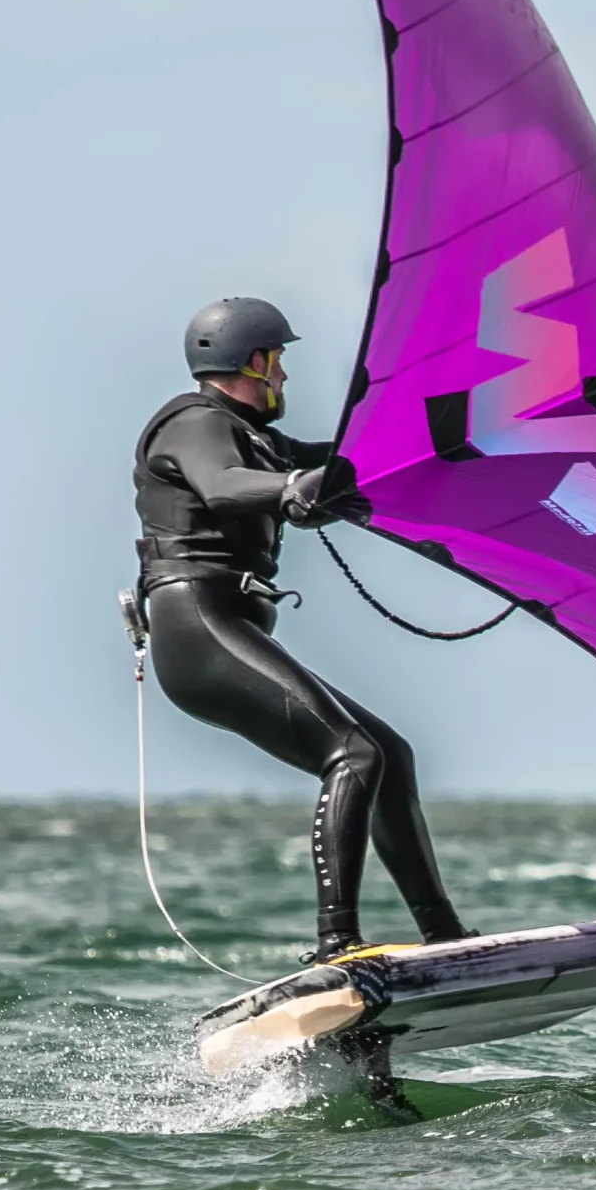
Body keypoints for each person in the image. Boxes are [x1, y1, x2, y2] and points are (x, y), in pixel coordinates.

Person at [133, 297, 473, 966]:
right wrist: (291, 486)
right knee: (354, 754)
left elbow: (349, 467)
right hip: (198, 625)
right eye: (278, 360)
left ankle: (445, 935)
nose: (285, 376)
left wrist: (451, 421)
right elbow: (226, 486)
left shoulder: (257, 437)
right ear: (253, 361)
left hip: (229, 625)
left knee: (389, 753)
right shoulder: (193, 423)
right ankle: (335, 943)